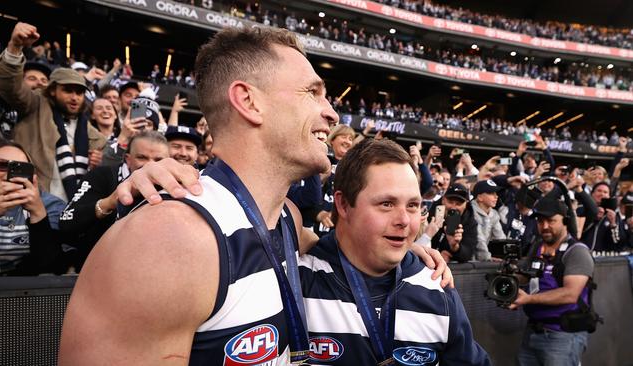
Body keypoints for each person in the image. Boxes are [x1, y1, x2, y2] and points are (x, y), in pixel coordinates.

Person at [60, 27, 448, 364]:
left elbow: (337, 248)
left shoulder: (287, 220)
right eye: (312, 92)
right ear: (248, 101)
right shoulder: (166, 241)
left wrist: (399, 249)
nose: (332, 114)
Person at [300, 138, 490, 365]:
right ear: (342, 204)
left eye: (412, 205)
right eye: (387, 204)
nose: (404, 221)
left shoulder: (436, 285)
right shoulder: (296, 279)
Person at [0, 22, 107, 202]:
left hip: (71, 206)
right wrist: (15, 47)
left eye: (79, 92)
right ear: (52, 90)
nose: (75, 97)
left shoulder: (85, 125)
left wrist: (99, 159)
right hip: (31, 198)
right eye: (68, 90)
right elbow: (9, 86)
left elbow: (107, 151)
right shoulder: (36, 104)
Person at [59, 131, 169, 270]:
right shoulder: (101, 176)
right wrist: (110, 201)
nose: (150, 165)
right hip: (99, 271)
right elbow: (66, 221)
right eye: (142, 157)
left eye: (158, 160)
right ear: (128, 159)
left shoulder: (176, 187)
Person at [510, 195, 596, 366]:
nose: (545, 226)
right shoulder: (538, 247)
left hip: (562, 335)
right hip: (533, 331)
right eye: (540, 221)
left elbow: (570, 294)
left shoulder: (577, 251)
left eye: (551, 221)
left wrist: (527, 299)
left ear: (565, 220)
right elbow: (527, 275)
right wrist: (509, 279)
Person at [0, 130, 65, 275]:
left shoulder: (50, 205)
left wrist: (38, 213)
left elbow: (53, 268)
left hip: (26, 290)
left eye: (19, 168)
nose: (9, 174)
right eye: (1, 165)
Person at [429, 183, 478, 263]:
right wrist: (436, 255)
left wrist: (454, 247)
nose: (453, 207)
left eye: (458, 204)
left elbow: (468, 254)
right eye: (450, 202)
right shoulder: (430, 215)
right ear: (443, 200)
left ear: (466, 204)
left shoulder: (470, 222)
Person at [471, 179, 506, 260]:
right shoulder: (470, 211)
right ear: (479, 197)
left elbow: (500, 238)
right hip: (467, 260)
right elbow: (479, 239)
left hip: (481, 259)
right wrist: (487, 257)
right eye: (491, 193)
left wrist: (506, 254)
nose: (496, 196)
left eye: (496, 193)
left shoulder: (494, 213)